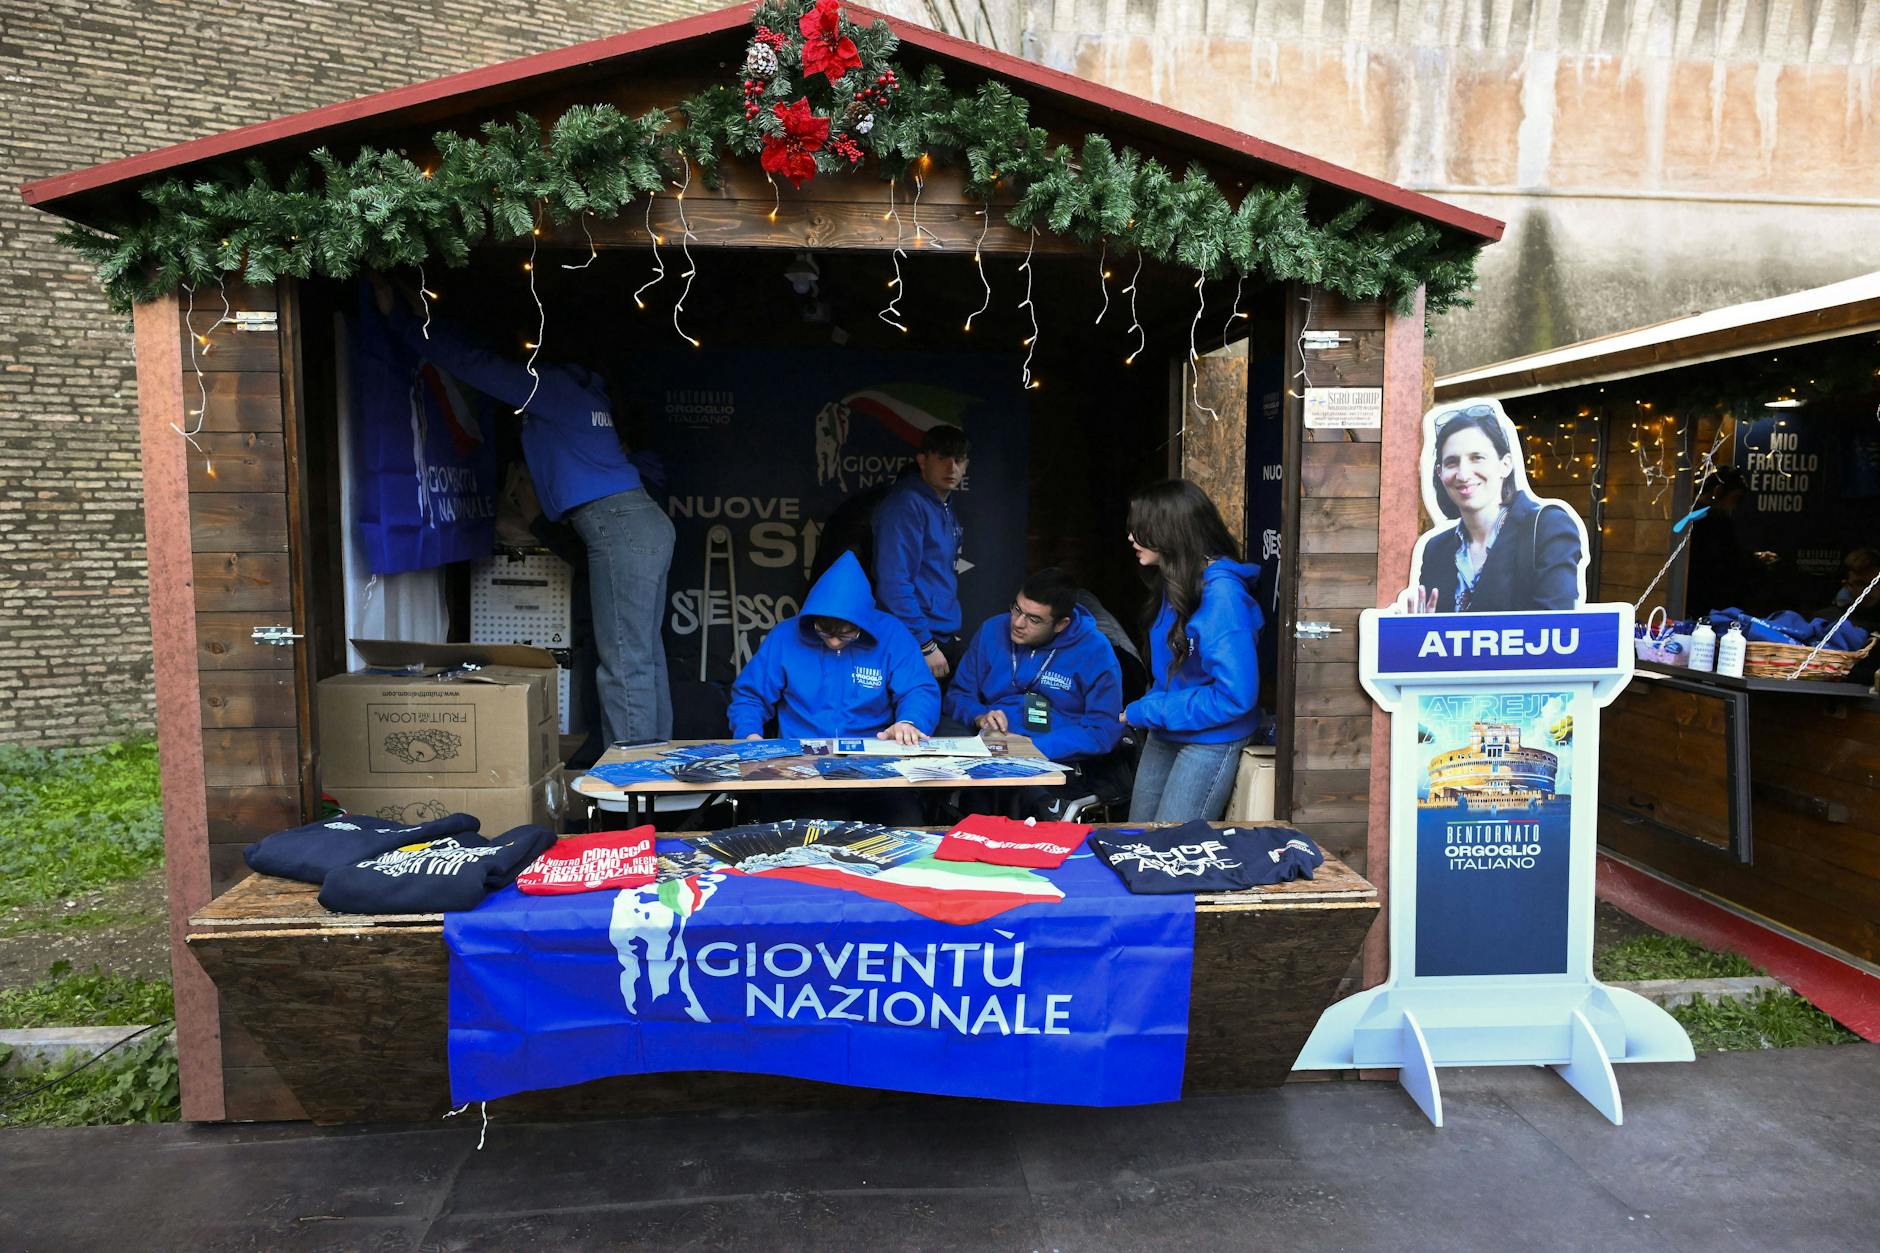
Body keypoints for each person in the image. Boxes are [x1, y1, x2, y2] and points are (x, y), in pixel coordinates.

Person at [370, 276, 674, 744]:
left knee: (624, 662)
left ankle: (635, 774)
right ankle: (652, 767)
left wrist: (403, 324)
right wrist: (424, 316)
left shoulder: (550, 387)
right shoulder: (587, 387)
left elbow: (478, 366)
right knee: (642, 657)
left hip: (618, 525)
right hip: (640, 522)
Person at [1122, 480, 1263, 823]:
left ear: (1170, 531)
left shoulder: (1223, 598)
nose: (1130, 537)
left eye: (1140, 528)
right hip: (1167, 727)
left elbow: (1235, 697)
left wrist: (1148, 710)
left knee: (1171, 850)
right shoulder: (1176, 582)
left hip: (1209, 738)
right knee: (1138, 838)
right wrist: (1152, 711)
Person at [943, 567, 1125, 818]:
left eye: (1034, 619)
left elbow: (1104, 730)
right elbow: (957, 696)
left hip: (1057, 761)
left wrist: (1036, 747)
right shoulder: (992, 631)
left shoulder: (1096, 652)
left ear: (1062, 624)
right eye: (1017, 609)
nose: (1018, 623)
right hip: (990, 753)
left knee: (1025, 798)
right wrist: (979, 716)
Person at [728, 551, 939, 744]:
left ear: (864, 622)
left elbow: (918, 689)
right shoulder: (785, 636)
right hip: (798, 756)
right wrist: (750, 735)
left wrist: (909, 722)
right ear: (813, 618)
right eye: (824, 632)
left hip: (874, 752)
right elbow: (750, 696)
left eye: (846, 634)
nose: (834, 642)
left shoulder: (892, 634)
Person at [1396, 405, 1584, 614]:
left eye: (1477, 457)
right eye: (1452, 462)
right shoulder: (1436, 549)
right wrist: (1417, 632)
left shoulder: (1548, 528)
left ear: (1505, 464)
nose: (1463, 474)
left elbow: (1554, 630)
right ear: (1440, 473)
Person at [874, 425, 971, 681]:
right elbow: (893, 582)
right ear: (922, 460)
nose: (951, 468)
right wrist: (924, 644)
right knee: (917, 718)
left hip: (939, 633)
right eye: (942, 458)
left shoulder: (944, 504)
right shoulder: (907, 504)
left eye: (958, 460)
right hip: (914, 640)